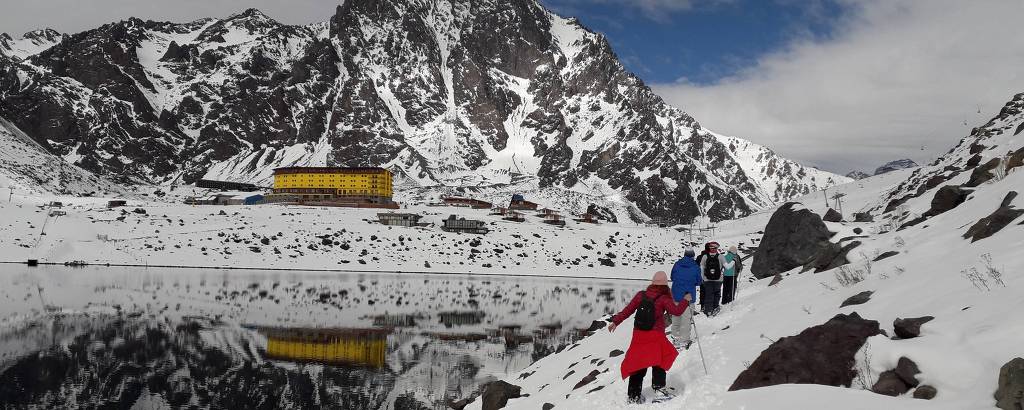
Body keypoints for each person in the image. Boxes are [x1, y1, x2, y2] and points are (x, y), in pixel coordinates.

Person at [609, 271, 691, 404]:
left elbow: (628, 310)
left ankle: (633, 396)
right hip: (655, 335)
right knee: (660, 359)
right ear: (665, 285)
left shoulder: (641, 295)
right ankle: (659, 390)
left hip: (639, 335)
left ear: (652, 283)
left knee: (638, 362)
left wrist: (615, 322)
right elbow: (676, 311)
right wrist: (685, 301)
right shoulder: (664, 298)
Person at [669, 249, 701, 349]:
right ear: (693, 256)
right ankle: (684, 340)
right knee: (686, 319)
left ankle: (676, 338)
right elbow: (698, 281)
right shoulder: (695, 267)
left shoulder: (677, 264)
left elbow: (672, 277)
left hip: (676, 295)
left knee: (676, 316)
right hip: (688, 297)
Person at [699, 242, 733, 316]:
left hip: (707, 279)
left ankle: (708, 310)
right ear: (716, 248)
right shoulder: (720, 256)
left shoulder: (705, 256)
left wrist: (702, 279)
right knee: (716, 294)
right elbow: (727, 267)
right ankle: (715, 308)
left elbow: (701, 268)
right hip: (718, 279)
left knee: (708, 294)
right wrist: (733, 261)